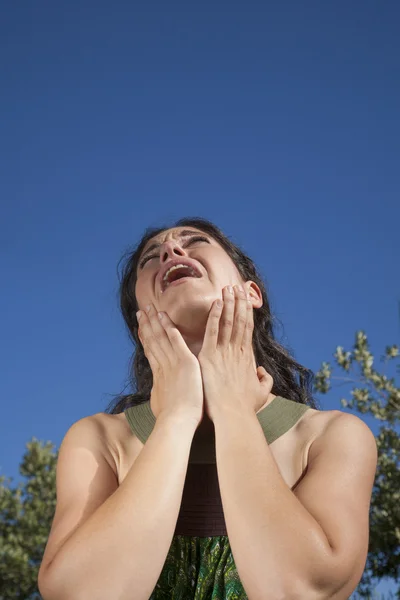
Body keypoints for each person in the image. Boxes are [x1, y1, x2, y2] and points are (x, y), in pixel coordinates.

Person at [38, 217, 378, 600]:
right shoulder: (98, 439)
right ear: (141, 324)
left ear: (252, 293)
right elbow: (79, 593)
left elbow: (300, 590)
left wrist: (231, 407)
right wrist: (177, 416)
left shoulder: (331, 437)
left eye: (196, 241)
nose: (170, 252)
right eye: (150, 259)